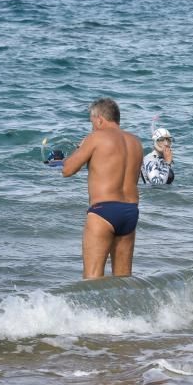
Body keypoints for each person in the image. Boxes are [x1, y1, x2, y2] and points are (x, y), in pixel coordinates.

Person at [61, 98, 143, 279]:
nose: (92, 127)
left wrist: (81, 148)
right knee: (123, 282)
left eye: (92, 123)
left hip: (103, 211)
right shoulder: (136, 142)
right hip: (130, 211)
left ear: (99, 119)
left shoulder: (95, 137)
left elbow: (67, 170)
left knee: (91, 280)